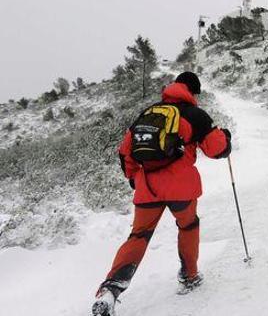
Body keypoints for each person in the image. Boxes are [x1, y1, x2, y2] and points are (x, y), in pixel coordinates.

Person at [92, 72, 232, 316]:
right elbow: (216, 149)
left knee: (138, 236)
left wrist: (134, 178)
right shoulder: (193, 115)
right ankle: (189, 276)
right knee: (188, 227)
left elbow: (126, 151)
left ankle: (110, 290)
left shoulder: (149, 113)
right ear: (192, 91)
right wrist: (226, 137)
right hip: (181, 188)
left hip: (148, 188)